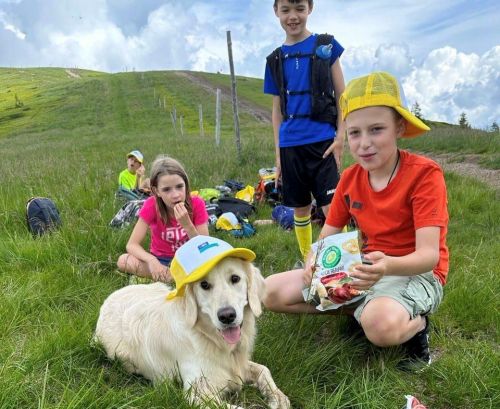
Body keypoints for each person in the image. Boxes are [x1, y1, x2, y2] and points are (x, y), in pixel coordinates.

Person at [264, 71, 449, 369]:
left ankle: (417, 325)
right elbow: (326, 236)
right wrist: (314, 260)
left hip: (414, 272)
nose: (364, 143)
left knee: (380, 327)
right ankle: (363, 309)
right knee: (270, 292)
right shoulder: (349, 178)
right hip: (363, 268)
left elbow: (429, 256)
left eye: (376, 129)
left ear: (399, 128)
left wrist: (387, 265)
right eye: (354, 133)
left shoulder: (425, 175)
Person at [264, 0, 346, 261]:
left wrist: (341, 136)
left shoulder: (326, 46)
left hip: (323, 141)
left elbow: (343, 95)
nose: (293, 16)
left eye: (299, 8)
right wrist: (278, 156)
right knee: (300, 209)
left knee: (332, 208)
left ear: (310, 8)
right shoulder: (274, 59)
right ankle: (307, 261)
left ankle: (342, 261)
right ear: (276, 11)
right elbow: (276, 111)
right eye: (286, 10)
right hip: (290, 145)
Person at [117, 155, 209, 282]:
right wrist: (152, 261)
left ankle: (171, 278)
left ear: (186, 185)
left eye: (179, 186)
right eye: (166, 190)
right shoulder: (151, 205)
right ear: (156, 191)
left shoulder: (197, 203)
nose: (175, 195)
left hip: (190, 258)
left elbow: (205, 247)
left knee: (213, 262)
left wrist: (188, 225)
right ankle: (177, 277)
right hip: (161, 260)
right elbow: (132, 245)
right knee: (123, 261)